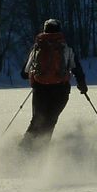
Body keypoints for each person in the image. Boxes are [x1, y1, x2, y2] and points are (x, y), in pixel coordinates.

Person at [19, 19, 87, 150]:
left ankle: (22, 149)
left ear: (44, 30)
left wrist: (39, 74)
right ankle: (42, 150)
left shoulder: (37, 47)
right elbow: (76, 69)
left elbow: (24, 73)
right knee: (50, 121)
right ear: (59, 30)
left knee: (37, 120)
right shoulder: (66, 47)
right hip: (61, 90)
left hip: (40, 90)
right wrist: (82, 85)